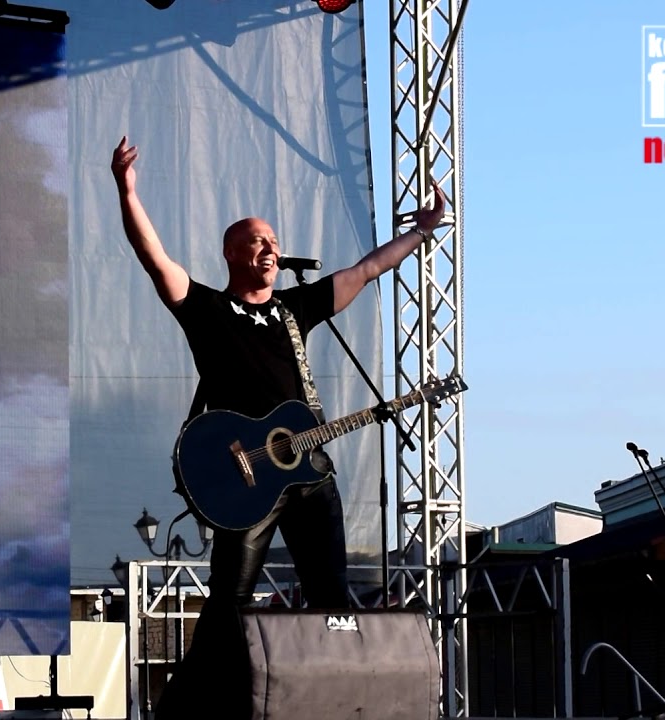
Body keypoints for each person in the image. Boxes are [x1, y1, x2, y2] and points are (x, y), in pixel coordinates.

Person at [111, 135, 447, 719]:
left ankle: (337, 707)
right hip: (248, 481)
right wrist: (127, 191)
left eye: (273, 241)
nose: (270, 248)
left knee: (332, 601)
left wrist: (422, 232)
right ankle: (179, 714)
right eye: (257, 241)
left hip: (309, 474)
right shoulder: (207, 310)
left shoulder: (296, 309)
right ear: (232, 253)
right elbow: (154, 257)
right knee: (228, 606)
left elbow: (367, 269)